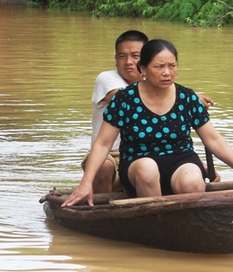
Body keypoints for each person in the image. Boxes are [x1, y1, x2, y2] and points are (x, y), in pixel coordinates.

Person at [65, 39, 233, 206]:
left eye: (172, 66)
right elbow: (102, 144)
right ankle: (155, 221)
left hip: (180, 159)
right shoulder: (125, 99)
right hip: (138, 162)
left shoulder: (187, 97)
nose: (166, 73)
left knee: (192, 180)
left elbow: (213, 140)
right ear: (143, 69)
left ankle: (186, 222)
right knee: (147, 168)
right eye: (159, 67)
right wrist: (86, 183)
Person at [84, 32, 215, 194]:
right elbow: (132, 100)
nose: (129, 62)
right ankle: (100, 211)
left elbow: (168, 133)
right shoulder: (109, 81)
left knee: (187, 173)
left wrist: (195, 162)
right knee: (104, 166)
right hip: (113, 155)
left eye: (135, 56)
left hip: (152, 152)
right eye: (122, 56)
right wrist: (191, 98)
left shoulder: (161, 84)